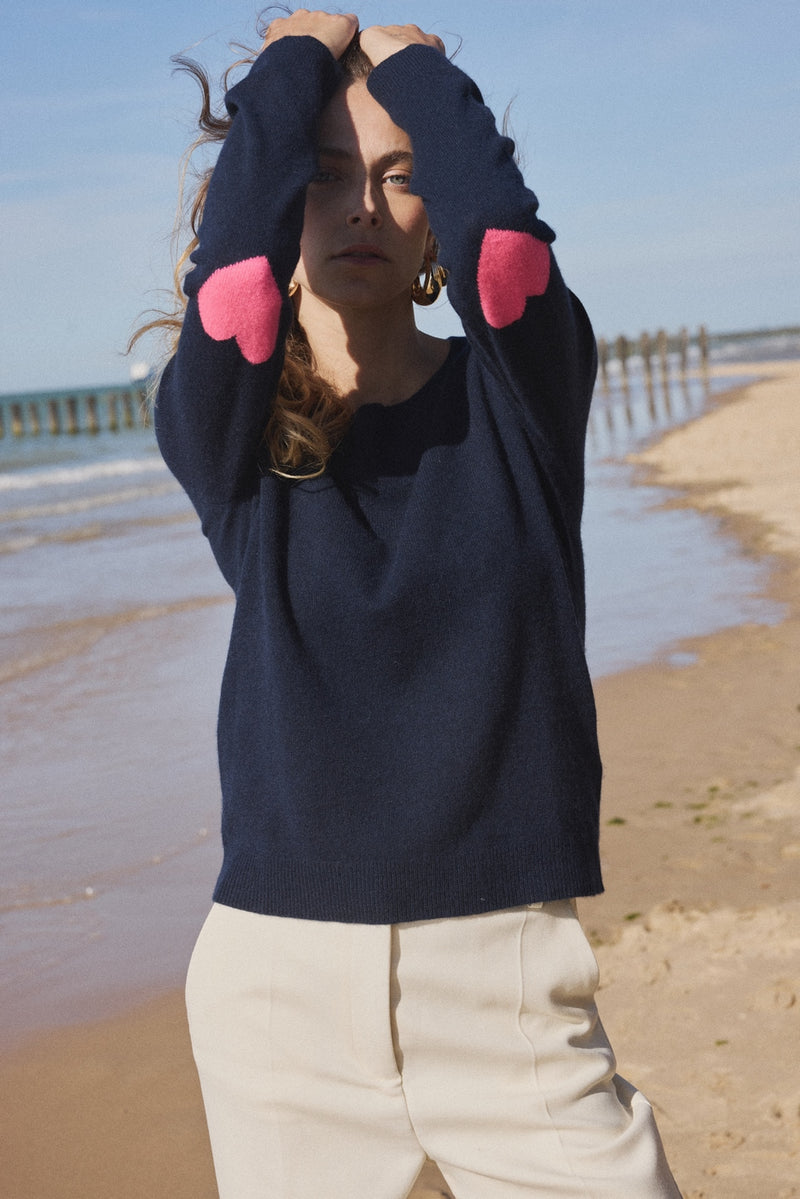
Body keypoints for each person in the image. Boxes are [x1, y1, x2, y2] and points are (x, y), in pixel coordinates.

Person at [149, 9, 682, 1197]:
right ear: (280, 194)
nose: (361, 208)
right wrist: (295, 64)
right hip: (278, 991)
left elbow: (508, 253)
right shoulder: (228, 434)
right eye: (323, 176)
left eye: (398, 177)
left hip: (503, 979)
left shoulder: (521, 402)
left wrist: (416, 69)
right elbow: (229, 284)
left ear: (433, 203)